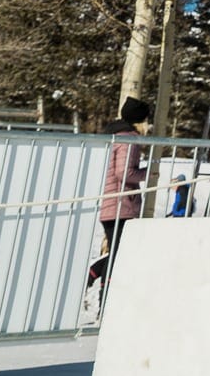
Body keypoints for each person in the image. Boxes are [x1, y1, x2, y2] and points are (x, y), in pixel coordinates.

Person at [88, 96, 152, 293]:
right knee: (120, 254)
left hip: (111, 204)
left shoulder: (113, 136)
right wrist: (148, 173)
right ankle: (104, 296)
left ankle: (95, 273)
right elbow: (124, 172)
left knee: (120, 251)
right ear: (140, 121)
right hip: (121, 205)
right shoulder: (129, 139)